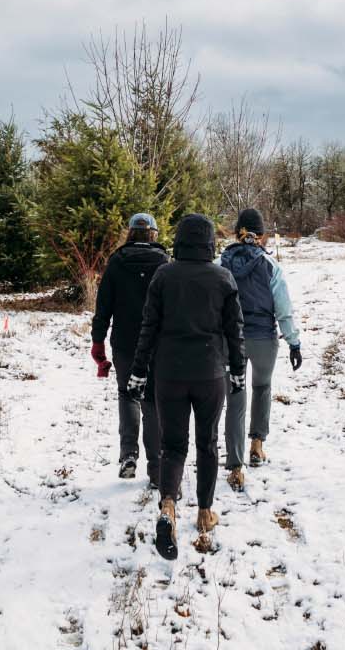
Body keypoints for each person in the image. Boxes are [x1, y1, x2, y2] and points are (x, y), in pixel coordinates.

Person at [128, 213, 245, 560]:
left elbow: (148, 327)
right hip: (210, 374)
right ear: (209, 242)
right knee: (207, 444)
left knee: (173, 445)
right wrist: (238, 370)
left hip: (169, 374)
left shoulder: (164, 275)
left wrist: (138, 371)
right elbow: (234, 331)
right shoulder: (223, 278)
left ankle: (168, 508)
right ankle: (205, 512)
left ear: (178, 240)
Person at [220, 207, 302, 492]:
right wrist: (293, 341)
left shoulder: (223, 264)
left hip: (232, 339)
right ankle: (257, 444)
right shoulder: (271, 266)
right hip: (264, 338)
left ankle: (235, 464)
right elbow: (284, 309)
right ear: (263, 236)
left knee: (235, 397)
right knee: (263, 387)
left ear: (236, 233)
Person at [90, 212, 170, 483]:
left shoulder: (116, 262)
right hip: (157, 345)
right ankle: (157, 468)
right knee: (152, 400)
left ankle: (128, 454)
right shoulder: (164, 263)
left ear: (130, 233)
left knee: (127, 395)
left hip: (124, 343)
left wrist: (98, 341)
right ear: (154, 234)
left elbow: (103, 308)